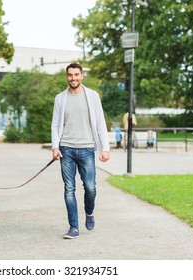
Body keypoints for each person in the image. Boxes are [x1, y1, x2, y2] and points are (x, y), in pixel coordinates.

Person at [51, 63, 110, 239]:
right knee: (69, 189)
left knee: (90, 188)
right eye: (70, 75)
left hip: (87, 149)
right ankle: (73, 227)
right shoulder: (60, 98)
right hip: (66, 149)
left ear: (82, 75)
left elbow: (100, 123)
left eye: (77, 74)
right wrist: (55, 146)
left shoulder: (92, 96)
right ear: (66, 77)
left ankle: (89, 212)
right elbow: (55, 124)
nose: (73, 78)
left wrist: (105, 148)